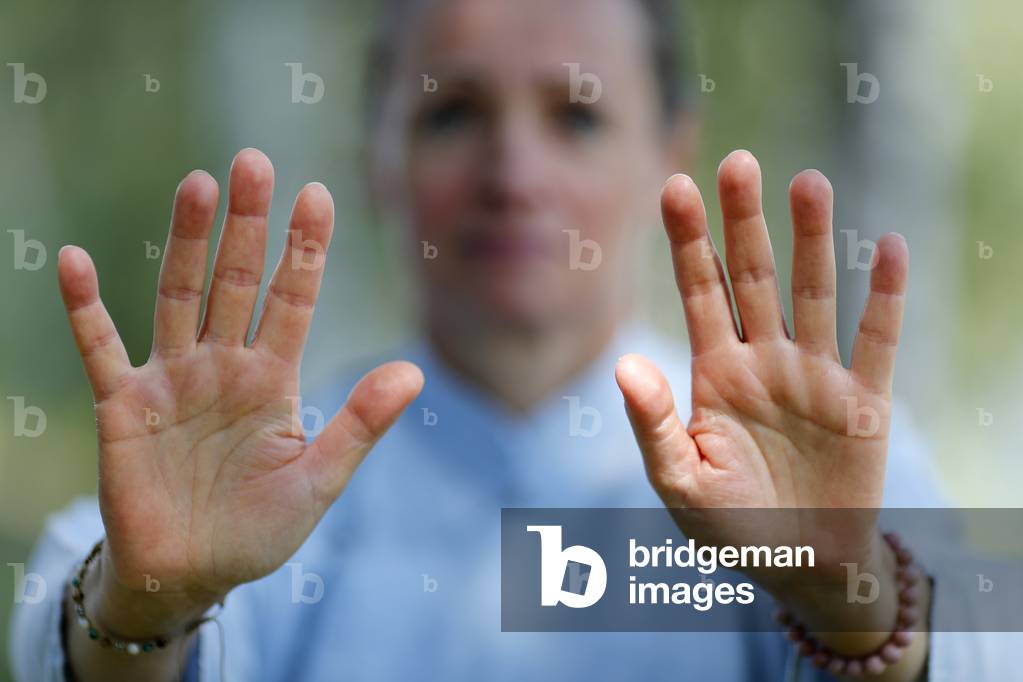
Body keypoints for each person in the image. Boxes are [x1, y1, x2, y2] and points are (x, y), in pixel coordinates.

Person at [8, 0, 1008, 680]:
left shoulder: (814, 463)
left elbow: (992, 634)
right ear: (377, 154)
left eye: (576, 115)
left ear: (670, 150)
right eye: (453, 113)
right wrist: (140, 608)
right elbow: (59, 617)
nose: (512, 172)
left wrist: (856, 605)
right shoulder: (262, 468)